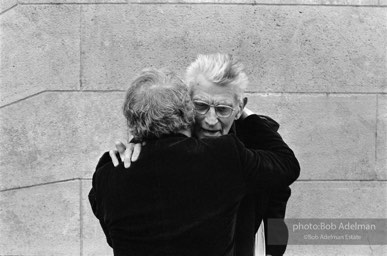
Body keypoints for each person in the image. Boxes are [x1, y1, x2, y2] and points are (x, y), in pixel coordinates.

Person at [89, 67, 300, 256]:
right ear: (188, 111)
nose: (211, 119)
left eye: (224, 108)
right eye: (201, 106)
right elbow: (287, 164)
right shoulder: (225, 155)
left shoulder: (108, 172)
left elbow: (277, 209)